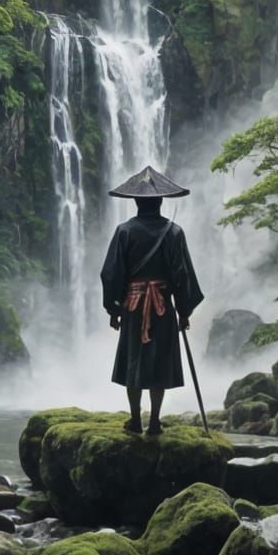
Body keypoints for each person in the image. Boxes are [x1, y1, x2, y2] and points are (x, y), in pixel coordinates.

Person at [99, 164, 204, 435]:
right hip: (162, 308)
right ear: (161, 202)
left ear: (136, 202)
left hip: (133, 307)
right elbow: (182, 274)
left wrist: (114, 309)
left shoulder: (124, 231)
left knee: (133, 360)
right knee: (159, 362)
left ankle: (135, 419)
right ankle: (155, 421)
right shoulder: (174, 233)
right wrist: (184, 310)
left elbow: (112, 273)